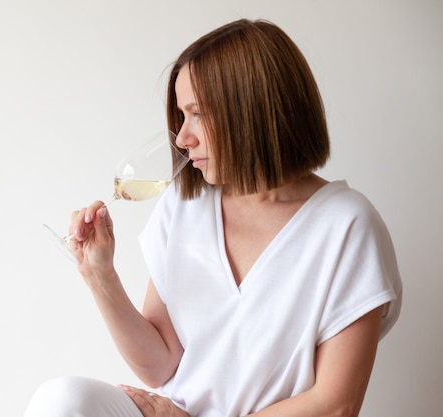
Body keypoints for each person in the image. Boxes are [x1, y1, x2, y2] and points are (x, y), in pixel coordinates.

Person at [25, 18, 402, 417]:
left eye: (197, 114)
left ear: (253, 111)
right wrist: (100, 276)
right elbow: (161, 365)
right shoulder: (185, 206)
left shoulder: (346, 225)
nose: (183, 138)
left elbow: (336, 405)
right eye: (180, 117)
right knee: (62, 401)